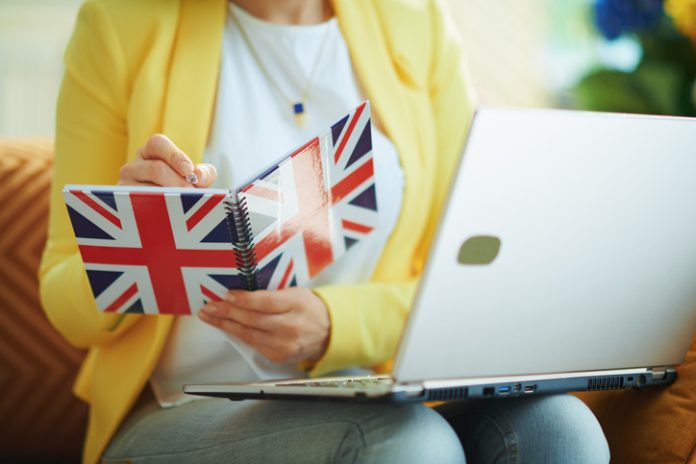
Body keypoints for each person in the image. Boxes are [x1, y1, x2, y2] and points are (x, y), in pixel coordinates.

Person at [40, 0, 611, 463]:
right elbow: (66, 305)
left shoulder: (418, 23)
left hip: (375, 391)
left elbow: (472, 282)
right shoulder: (120, 23)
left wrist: (337, 324)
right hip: (179, 411)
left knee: (561, 430)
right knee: (407, 444)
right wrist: (128, 235)